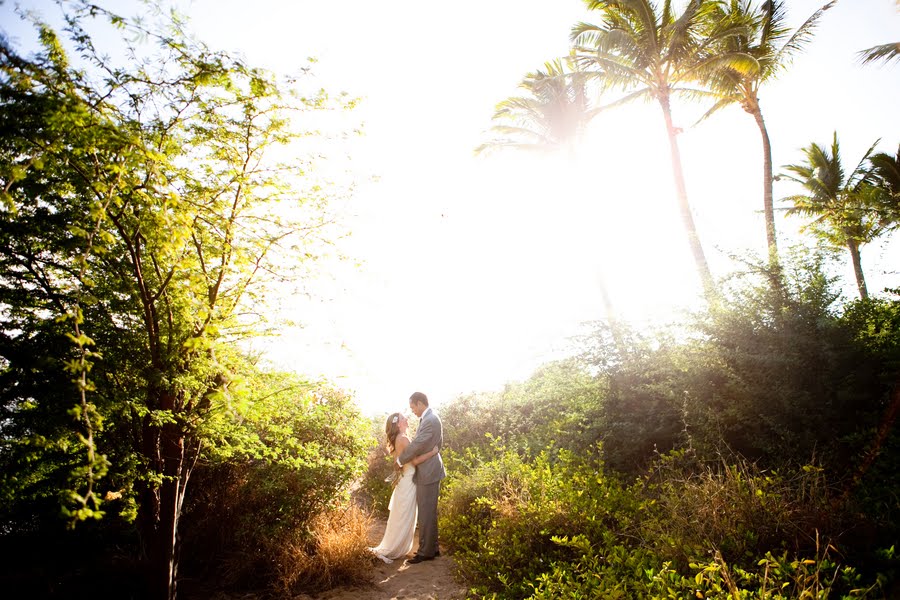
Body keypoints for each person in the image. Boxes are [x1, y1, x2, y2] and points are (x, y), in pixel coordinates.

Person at [369, 412, 438, 563]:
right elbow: (415, 462)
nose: (406, 418)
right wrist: (433, 453)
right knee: (404, 516)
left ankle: (395, 544)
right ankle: (394, 548)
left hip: (405, 480)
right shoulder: (404, 439)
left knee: (401, 516)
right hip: (408, 481)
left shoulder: (398, 438)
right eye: (403, 418)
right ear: (398, 424)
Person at [397, 391, 446, 564]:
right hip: (429, 469)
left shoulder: (430, 420)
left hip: (429, 472)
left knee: (426, 512)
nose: (412, 411)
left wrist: (400, 459)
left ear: (420, 403)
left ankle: (425, 552)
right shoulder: (429, 418)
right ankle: (433, 548)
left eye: (413, 407)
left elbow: (418, 444)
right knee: (429, 511)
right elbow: (435, 444)